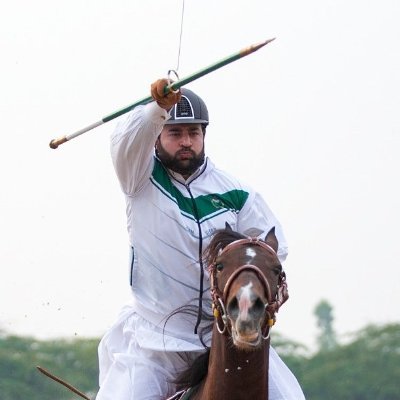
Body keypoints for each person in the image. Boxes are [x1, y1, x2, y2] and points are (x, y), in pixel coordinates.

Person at [96, 78, 305, 400]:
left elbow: (272, 251)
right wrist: (156, 110)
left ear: (204, 135)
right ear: (156, 138)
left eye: (194, 133)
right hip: (155, 342)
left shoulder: (238, 193)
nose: (186, 142)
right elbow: (124, 143)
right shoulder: (139, 177)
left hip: (223, 333)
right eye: (175, 133)